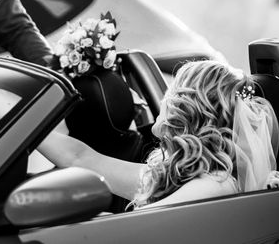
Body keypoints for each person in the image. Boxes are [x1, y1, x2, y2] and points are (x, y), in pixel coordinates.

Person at [37, 60, 279, 209]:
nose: (164, 98)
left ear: (185, 108)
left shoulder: (215, 185)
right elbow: (80, 158)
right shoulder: (175, 172)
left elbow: (132, 232)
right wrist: (14, 114)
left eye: (170, 93)